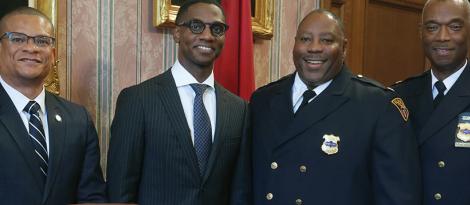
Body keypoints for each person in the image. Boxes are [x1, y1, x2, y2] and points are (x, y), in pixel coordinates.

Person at [250, 9, 421, 205]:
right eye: (305, 39)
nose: (314, 48)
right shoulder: (262, 100)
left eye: (326, 40)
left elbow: (397, 198)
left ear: (344, 47)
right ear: (294, 44)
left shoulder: (378, 106)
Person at [106, 1, 250, 205]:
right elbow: (121, 191)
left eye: (216, 28)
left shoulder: (239, 109)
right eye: (196, 26)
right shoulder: (138, 100)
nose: (207, 36)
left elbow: (239, 191)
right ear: (177, 33)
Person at [0, 7, 106, 204]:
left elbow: (92, 196)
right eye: (18, 39)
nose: (32, 48)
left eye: (42, 41)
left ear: (52, 53)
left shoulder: (78, 119)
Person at [392, 0, 470, 204]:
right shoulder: (400, 96)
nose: (443, 37)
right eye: (432, 27)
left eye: (454, 27)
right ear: (421, 32)